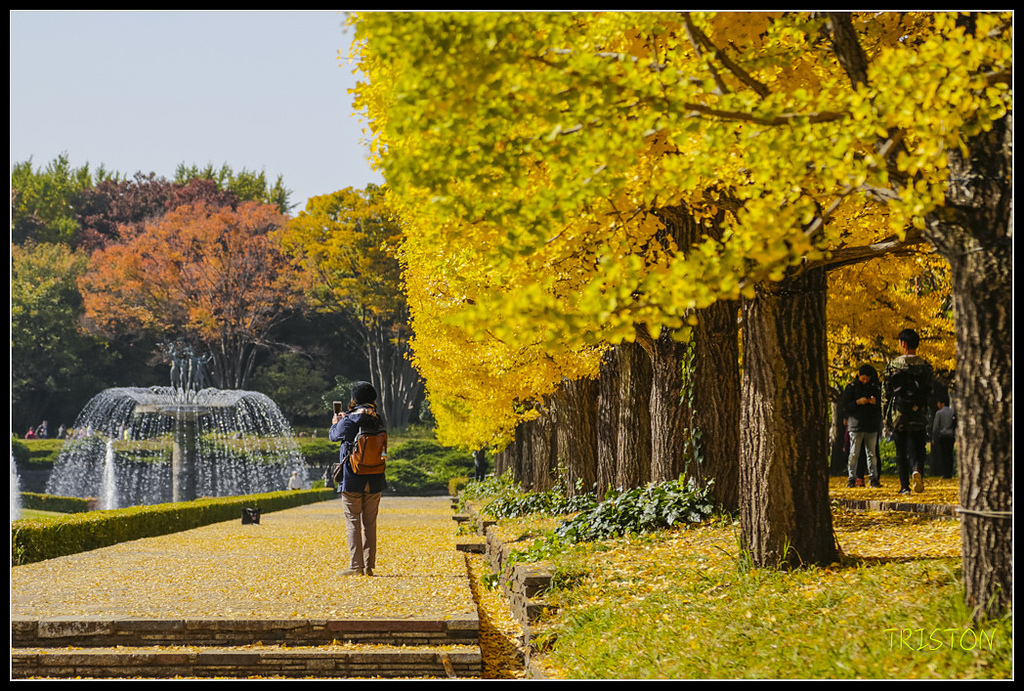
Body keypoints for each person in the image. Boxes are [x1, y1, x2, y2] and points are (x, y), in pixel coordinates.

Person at [329, 381, 386, 577]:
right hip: (376, 477)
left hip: (352, 477)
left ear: (355, 399)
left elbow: (334, 436)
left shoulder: (351, 419)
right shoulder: (378, 418)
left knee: (353, 520)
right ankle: (369, 566)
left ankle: (356, 566)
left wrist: (336, 422)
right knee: (370, 523)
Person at [883, 329, 934, 495]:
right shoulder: (926, 367)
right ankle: (917, 469)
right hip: (919, 412)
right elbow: (930, 391)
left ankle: (904, 486)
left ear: (903, 344)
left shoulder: (893, 366)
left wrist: (885, 415)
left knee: (901, 449)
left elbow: (886, 393)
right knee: (919, 446)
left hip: (899, 413)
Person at [841, 364, 883, 488]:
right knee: (854, 453)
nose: (865, 381)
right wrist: (857, 403)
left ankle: (874, 478)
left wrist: (874, 403)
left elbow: (880, 406)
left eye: (867, 379)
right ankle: (851, 478)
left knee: (872, 454)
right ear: (859, 375)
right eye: (863, 378)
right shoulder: (851, 388)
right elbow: (845, 406)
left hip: (871, 425)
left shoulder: (875, 387)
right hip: (856, 424)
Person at [931, 393, 957, 479]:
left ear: (942, 403)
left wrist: (934, 437)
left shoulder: (939, 413)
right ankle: (949, 472)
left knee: (943, 455)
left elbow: (936, 426)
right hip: (951, 436)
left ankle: (945, 473)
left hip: (943, 436)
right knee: (949, 455)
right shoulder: (952, 412)